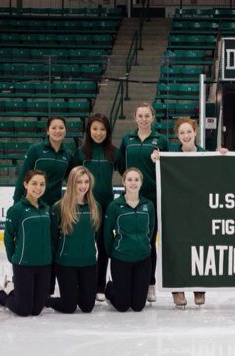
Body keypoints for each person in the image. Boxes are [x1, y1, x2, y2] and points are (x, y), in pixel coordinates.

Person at [151, 117, 225, 307]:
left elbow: (217, 175)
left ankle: (199, 287)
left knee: (200, 246)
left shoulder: (206, 154)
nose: (185, 136)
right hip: (176, 210)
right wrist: (157, 160)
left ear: (195, 132)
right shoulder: (170, 155)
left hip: (200, 209)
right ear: (177, 135)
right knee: (177, 247)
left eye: (189, 132)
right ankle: (178, 289)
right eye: (181, 133)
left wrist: (222, 156)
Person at [12, 116, 74, 296]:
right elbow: (23, 176)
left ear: (65, 131)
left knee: (51, 246)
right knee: (28, 244)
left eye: (61, 127)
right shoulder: (36, 150)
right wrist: (17, 203)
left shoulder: (67, 155)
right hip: (31, 206)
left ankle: (47, 289)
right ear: (47, 130)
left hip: (53, 209)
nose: (57, 131)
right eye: (54, 128)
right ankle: (20, 285)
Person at [117, 103, 169, 303]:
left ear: (153, 117)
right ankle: (129, 279)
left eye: (147, 115)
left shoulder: (161, 140)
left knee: (148, 240)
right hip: (130, 197)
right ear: (135, 118)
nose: (144, 119)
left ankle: (150, 283)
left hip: (152, 198)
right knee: (130, 237)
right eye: (140, 115)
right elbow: (121, 164)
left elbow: (169, 166)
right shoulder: (127, 139)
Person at [0, 170, 52, 317]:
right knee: (24, 310)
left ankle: (12, 289)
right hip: (23, 265)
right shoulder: (16, 210)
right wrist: (14, 258)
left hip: (44, 265)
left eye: (42, 184)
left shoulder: (46, 209)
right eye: (34, 183)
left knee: (36, 310)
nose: (38, 188)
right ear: (25, 184)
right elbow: (8, 237)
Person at [74, 113, 120, 302]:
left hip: (105, 207)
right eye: (95, 129)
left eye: (102, 129)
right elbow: (72, 179)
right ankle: (80, 283)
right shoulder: (80, 153)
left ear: (107, 131)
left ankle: (99, 285)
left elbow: (129, 174)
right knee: (83, 245)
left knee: (103, 246)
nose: (98, 133)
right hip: (84, 207)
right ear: (89, 131)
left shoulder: (114, 153)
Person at [47, 166, 102, 313]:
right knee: (69, 307)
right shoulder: (59, 207)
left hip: (89, 263)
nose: (83, 186)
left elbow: (95, 235)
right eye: (79, 182)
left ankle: (73, 293)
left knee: (87, 307)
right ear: (72, 183)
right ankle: (44, 299)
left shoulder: (95, 207)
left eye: (86, 182)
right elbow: (53, 239)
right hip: (66, 264)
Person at [103, 168, 155, 312]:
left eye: (136, 180)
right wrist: (114, 252)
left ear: (141, 183)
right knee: (122, 306)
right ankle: (110, 289)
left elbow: (150, 230)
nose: (133, 183)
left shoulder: (148, 205)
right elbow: (108, 234)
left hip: (143, 260)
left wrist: (143, 246)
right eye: (130, 180)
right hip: (121, 260)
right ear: (124, 182)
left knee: (138, 306)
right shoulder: (115, 206)